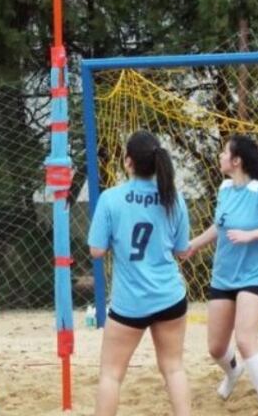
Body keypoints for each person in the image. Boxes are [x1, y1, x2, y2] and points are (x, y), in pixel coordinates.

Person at [185, 135, 258, 413]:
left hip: (255, 276)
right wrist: (193, 245)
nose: (220, 156)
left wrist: (252, 235)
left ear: (237, 161)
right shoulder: (224, 189)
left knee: (246, 340)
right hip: (223, 276)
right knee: (216, 348)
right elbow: (219, 227)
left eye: (225, 152)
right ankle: (233, 372)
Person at [87, 130, 191, 416]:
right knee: (173, 369)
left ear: (127, 161)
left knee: (111, 375)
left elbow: (96, 251)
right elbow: (182, 250)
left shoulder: (111, 199)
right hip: (169, 295)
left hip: (129, 302)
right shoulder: (174, 198)